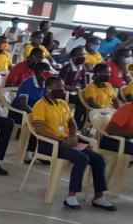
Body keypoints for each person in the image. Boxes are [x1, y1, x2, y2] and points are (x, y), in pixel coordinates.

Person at [30, 76, 114, 210]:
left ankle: (98, 197)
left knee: (98, 159)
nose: (62, 90)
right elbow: (40, 130)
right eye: (58, 87)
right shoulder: (40, 105)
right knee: (82, 159)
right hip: (50, 144)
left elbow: (72, 122)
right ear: (48, 89)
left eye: (63, 86)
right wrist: (63, 140)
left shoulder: (62, 103)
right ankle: (71, 196)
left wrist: (72, 136)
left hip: (67, 142)